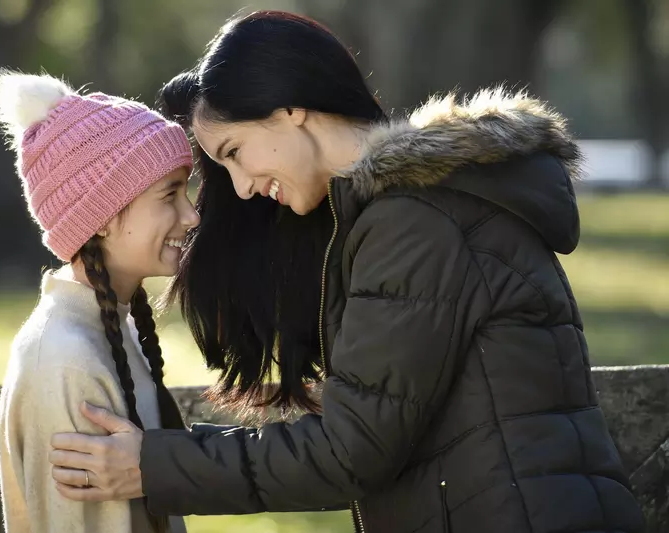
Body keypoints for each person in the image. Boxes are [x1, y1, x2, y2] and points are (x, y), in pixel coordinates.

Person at [48, 11, 645, 533]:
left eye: (232, 152)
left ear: (289, 110)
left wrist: (149, 465)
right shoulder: (406, 211)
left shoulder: (415, 221)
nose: (241, 185)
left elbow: (351, 453)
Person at [0, 70, 198, 533]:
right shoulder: (65, 359)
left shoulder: (107, 330)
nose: (191, 215)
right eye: (170, 194)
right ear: (101, 217)